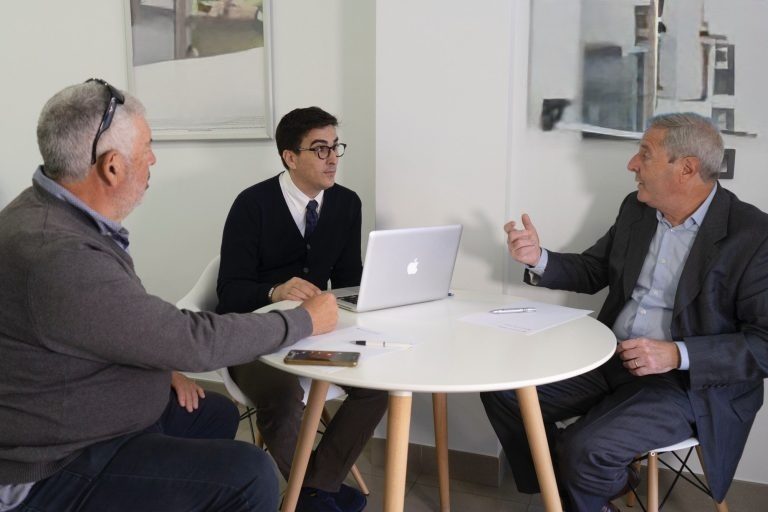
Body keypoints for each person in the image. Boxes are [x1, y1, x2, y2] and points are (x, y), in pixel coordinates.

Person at [0, 79, 338, 512]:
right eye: (147, 148)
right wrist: (304, 320)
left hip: (87, 413)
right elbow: (192, 340)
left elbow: (118, 323)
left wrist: (161, 366)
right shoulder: (58, 253)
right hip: (54, 463)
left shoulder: (52, 211)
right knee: (249, 473)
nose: (153, 159)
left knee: (215, 414)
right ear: (112, 167)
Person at [482, 113, 768, 512]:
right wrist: (538, 258)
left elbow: (763, 344)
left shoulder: (753, 235)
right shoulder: (637, 210)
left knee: (585, 447)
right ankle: (564, 493)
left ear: (686, 169)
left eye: (645, 154)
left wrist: (676, 354)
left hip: (687, 382)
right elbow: (595, 269)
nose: (632, 164)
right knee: (505, 391)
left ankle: (580, 478)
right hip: (611, 357)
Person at [217, 107, 387, 512]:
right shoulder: (252, 205)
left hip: (313, 331)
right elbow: (230, 292)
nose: (332, 159)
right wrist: (274, 290)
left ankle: (313, 490)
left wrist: (376, 296)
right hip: (251, 335)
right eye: (320, 148)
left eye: (335, 147)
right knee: (282, 395)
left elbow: (349, 279)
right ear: (290, 157)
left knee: (378, 385)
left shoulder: (346, 203)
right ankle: (317, 492)